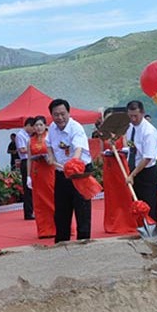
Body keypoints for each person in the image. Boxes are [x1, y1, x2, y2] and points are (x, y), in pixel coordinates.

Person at [47, 98, 92, 243]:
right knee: (61, 208)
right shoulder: (52, 127)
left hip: (79, 171)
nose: (60, 118)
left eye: (62, 114)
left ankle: (83, 241)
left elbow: (78, 149)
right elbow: (48, 144)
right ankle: (61, 241)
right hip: (62, 172)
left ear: (68, 112)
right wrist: (50, 156)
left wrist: (73, 164)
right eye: (56, 114)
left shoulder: (76, 127)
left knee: (82, 207)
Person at [124, 100, 157, 224]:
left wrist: (132, 175)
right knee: (136, 203)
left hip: (146, 172)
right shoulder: (130, 128)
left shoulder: (149, 131)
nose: (133, 119)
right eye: (130, 116)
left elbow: (147, 157)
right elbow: (131, 147)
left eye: (136, 116)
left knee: (148, 204)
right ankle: (141, 229)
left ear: (142, 113)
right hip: (134, 169)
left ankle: (152, 230)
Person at [101, 132, 136, 234]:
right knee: (112, 195)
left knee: (124, 194)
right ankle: (112, 222)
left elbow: (126, 150)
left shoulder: (122, 134)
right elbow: (101, 151)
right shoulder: (103, 135)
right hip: (109, 167)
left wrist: (119, 151)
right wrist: (107, 152)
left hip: (121, 167)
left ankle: (127, 221)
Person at [28, 116, 56, 238]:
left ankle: (58, 226)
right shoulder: (31, 140)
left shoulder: (50, 137)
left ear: (45, 125)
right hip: (37, 172)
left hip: (49, 171)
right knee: (39, 202)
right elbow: (29, 159)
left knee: (52, 198)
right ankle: (44, 230)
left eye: (40, 125)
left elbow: (56, 153)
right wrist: (28, 176)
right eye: (36, 125)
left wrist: (50, 159)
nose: (38, 128)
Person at [16, 118, 34, 220]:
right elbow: (22, 150)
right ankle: (28, 212)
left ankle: (32, 210)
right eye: (33, 127)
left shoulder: (30, 135)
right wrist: (34, 148)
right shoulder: (20, 135)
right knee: (27, 187)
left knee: (33, 188)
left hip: (32, 161)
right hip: (25, 161)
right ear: (28, 125)